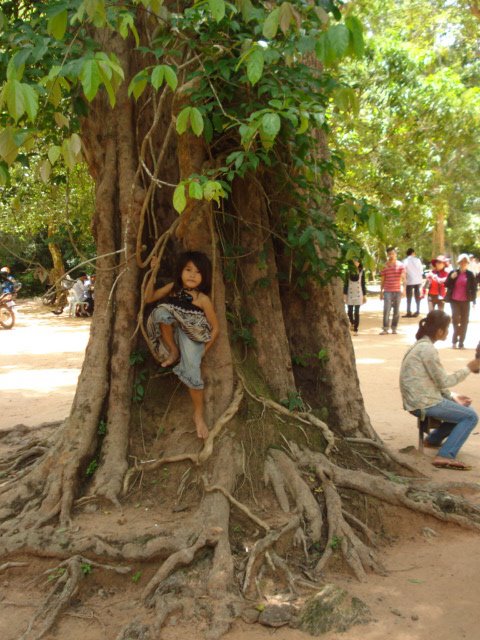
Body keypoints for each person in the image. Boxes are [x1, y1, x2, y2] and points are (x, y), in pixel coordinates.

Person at [145, 251, 219, 439]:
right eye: (188, 270)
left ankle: (198, 415)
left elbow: (215, 328)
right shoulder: (173, 288)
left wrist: (203, 352)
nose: (192, 275)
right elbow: (149, 298)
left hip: (193, 337)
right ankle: (173, 351)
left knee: (192, 372)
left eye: (198, 272)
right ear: (180, 272)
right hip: (175, 334)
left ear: (205, 276)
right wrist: (153, 273)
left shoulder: (202, 299)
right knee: (161, 311)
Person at [400, 310, 480, 470]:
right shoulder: (427, 349)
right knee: (471, 417)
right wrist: (468, 368)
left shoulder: (421, 345)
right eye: (448, 329)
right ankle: (446, 455)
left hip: (420, 398)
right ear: (440, 331)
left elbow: (434, 381)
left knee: (464, 409)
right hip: (423, 402)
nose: (448, 332)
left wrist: (451, 396)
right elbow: (444, 380)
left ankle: (433, 439)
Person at [445, 253, 477, 349]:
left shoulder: (470, 275)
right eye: (461, 262)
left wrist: (474, 301)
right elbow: (446, 284)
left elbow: (474, 288)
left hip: (465, 301)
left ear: (467, 263)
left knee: (464, 321)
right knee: (455, 319)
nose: (463, 264)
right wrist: (451, 278)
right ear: (458, 263)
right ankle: (454, 340)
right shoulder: (453, 272)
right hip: (454, 300)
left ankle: (461, 342)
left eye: (465, 262)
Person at [379, 246, 406, 335]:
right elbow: (382, 279)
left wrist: (404, 289)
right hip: (387, 290)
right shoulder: (384, 266)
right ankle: (385, 328)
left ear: (396, 254)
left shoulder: (401, 265)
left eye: (393, 254)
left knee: (396, 311)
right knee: (386, 309)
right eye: (389, 254)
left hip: (397, 290)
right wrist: (381, 292)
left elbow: (403, 278)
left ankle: (394, 328)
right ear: (387, 255)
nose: (391, 256)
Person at [343, 258, 366, 336]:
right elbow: (346, 284)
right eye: (353, 261)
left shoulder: (362, 272)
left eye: (357, 261)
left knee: (356, 312)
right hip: (350, 293)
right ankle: (352, 323)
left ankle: (356, 329)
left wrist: (365, 295)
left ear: (359, 262)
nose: (355, 263)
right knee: (349, 311)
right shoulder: (348, 272)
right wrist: (344, 294)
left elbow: (363, 284)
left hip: (359, 294)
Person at [402, 248, 423, 317]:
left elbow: (404, 271)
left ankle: (408, 311)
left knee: (409, 297)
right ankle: (417, 311)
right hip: (417, 280)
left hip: (409, 281)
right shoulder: (418, 260)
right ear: (413, 253)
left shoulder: (405, 261)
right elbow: (421, 270)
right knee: (417, 297)